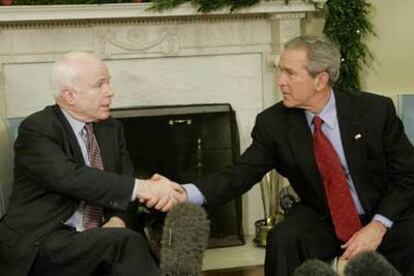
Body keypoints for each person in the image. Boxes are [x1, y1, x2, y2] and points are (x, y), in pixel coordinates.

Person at [158, 35, 414, 275]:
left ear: (320, 80)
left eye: (290, 73)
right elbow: (241, 173)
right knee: (284, 237)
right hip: (323, 216)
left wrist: (378, 225)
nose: (280, 81)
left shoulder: (373, 111)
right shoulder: (274, 124)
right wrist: (186, 193)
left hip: (383, 212)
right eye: (280, 70)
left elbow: (407, 176)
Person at [0, 52, 185, 276]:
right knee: (126, 244)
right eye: (100, 85)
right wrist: (144, 187)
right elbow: (71, 177)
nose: (110, 92)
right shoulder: (37, 128)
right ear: (69, 95)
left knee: (128, 239)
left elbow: (123, 183)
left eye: (109, 82)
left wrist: (118, 221)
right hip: (43, 240)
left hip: (93, 239)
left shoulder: (110, 128)